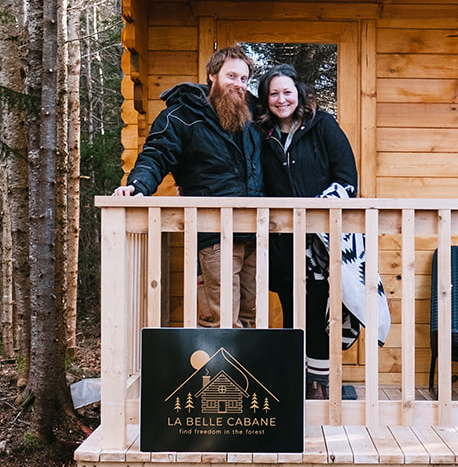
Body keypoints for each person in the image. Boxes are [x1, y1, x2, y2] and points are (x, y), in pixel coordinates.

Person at [112, 45, 263, 327]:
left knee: (251, 319)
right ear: (212, 75)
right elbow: (156, 155)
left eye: (244, 79)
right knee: (221, 321)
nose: (239, 85)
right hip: (214, 235)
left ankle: (246, 373)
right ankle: (221, 373)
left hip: (254, 233)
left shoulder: (253, 116)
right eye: (231, 76)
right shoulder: (181, 116)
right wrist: (138, 186)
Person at [255, 64, 359, 398]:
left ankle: (318, 385)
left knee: (317, 311)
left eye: (287, 92)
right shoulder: (262, 134)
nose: (281, 99)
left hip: (321, 243)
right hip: (282, 242)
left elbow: (347, 179)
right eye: (273, 93)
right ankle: (293, 381)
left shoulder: (323, 125)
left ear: (299, 93)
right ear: (265, 98)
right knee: (289, 308)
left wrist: (317, 210)